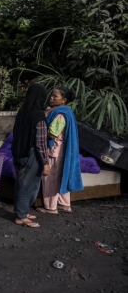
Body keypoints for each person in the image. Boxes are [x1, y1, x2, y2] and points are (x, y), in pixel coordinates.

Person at [36, 86, 83, 214]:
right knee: (61, 177)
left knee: (50, 179)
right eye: (51, 95)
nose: (51, 98)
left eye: (55, 96)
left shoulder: (60, 114)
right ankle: (64, 204)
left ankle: (51, 207)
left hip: (54, 150)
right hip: (61, 151)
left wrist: (38, 131)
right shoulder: (64, 111)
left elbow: (52, 134)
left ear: (64, 100)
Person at [11, 83, 50, 228]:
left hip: (18, 152)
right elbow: (41, 142)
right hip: (31, 154)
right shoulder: (38, 116)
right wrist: (45, 162)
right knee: (28, 186)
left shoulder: (22, 112)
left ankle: (23, 211)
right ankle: (21, 217)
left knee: (21, 185)